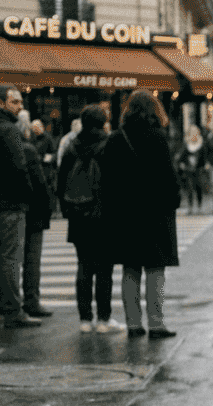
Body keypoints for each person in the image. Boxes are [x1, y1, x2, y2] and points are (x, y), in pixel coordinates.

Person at [100, 90, 181, 339]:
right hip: (155, 213)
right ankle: (156, 324)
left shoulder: (116, 139)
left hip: (126, 214)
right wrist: (174, 201)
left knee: (130, 269)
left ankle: (133, 324)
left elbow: (106, 181)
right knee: (156, 270)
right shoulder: (158, 137)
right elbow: (168, 178)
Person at [0, 85, 42, 328]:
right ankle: (12, 310)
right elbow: (19, 168)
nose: (20, 106)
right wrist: (27, 198)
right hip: (10, 203)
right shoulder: (7, 129)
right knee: (11, 257)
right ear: (1, 103)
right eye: (15, 102)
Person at [59, 104, 119, 332]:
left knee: (83, 265)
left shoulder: (71, 146)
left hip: (78, 213)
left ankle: (85, 319)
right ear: (103, 122)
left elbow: (60, 181)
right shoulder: (109, 144)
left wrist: (67, 210)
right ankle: (104, 319)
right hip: (104, 214)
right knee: (104, 268)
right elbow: (116, 182)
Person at [19, 118, 54, 319]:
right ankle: (31, 300)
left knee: (7, 259)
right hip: (32, 213)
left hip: (7, 209)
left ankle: (3, 301)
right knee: (32, 259)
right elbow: (40, 186)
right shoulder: (29, 150)